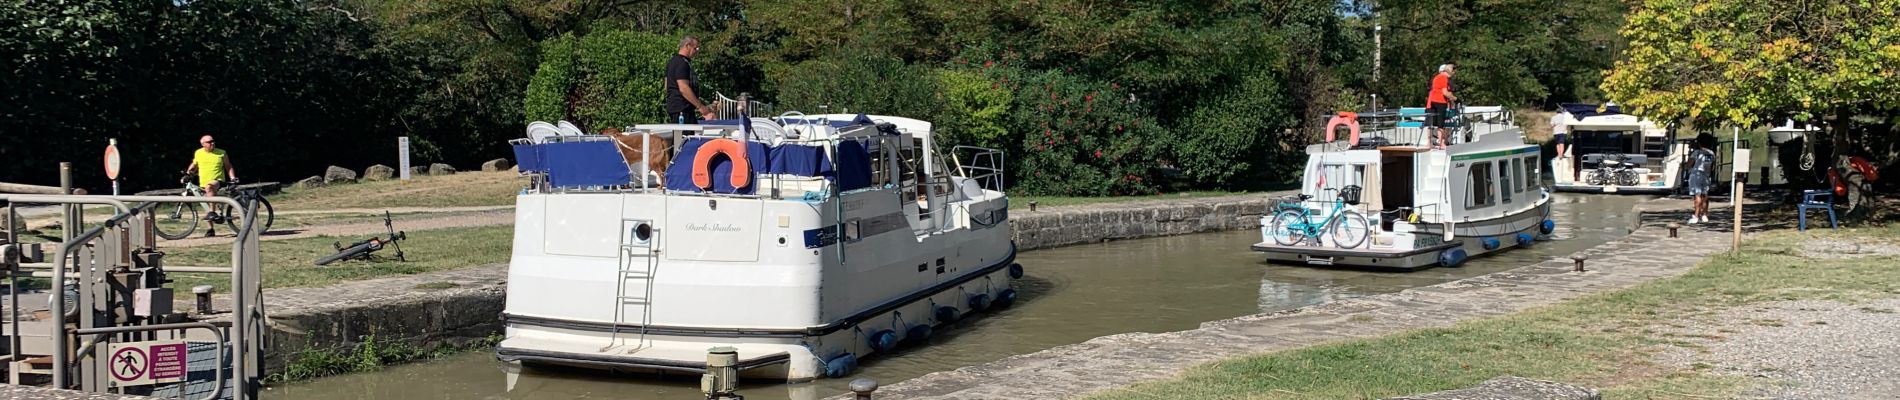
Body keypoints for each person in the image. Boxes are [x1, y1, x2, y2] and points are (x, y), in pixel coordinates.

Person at [183, 134, 238, 236]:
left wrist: (233, 178)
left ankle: (212, 212)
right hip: (203, 182)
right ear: (203, 144)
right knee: (205, 203)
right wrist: (187, 173)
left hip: (217, 181)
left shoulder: (221, 153)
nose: (212, 143)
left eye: (213, 141)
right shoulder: (198, 153)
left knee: (209, 187)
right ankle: (210, 229)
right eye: (209, 142)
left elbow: (228, 166)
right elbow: (194, 165)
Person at [664, 36, 717, 124]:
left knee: (682, 136)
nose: (697, 51)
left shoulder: (672, 62)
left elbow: (666, 86)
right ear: (687, 45)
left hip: (678, 109)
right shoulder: (682, 63)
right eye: (695, 48)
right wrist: (701, 107)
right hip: (682, 111)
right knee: (686, 137)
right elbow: (684, 88)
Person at [1684, 134, 1716, 224]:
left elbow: (1689, 164)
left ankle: (1696, 216)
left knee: (1697, 195)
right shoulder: (1711, 153)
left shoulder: (1697, 153)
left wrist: (1685, 165)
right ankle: (1705, 215)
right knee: (1705, 195)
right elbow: (1712, 166)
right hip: (1706, 175)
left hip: (1696, 175)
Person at [1425, 64, 1458, 150]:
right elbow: (1445, 92)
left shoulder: (1436, 77)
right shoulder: (1444, 78)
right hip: (1440, 102)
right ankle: (1442, 143)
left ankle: (1431, 143)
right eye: (1454, 72)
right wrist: (1455, 99)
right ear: (1451, 71)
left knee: (1432, 123)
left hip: (1433, 102)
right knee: (1441, 124)